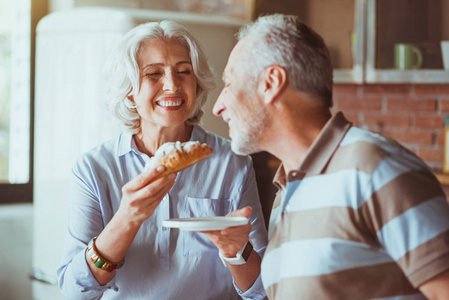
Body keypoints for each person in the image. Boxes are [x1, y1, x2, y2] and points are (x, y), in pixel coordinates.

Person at [213, 14, 449, 300]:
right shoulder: (289, 187)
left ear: (271, 82)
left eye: (229, 83)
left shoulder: (375, 169)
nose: (218, 106)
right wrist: (238, 251)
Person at [57, 20, 267, 300]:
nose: (172, 85)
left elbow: (264, 290)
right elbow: (74, 293)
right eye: (153, 74)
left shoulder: (232, 161)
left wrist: (237, 251)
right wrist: (127, 218)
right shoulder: (94, 168)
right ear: (129, 89)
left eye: (183, 71)